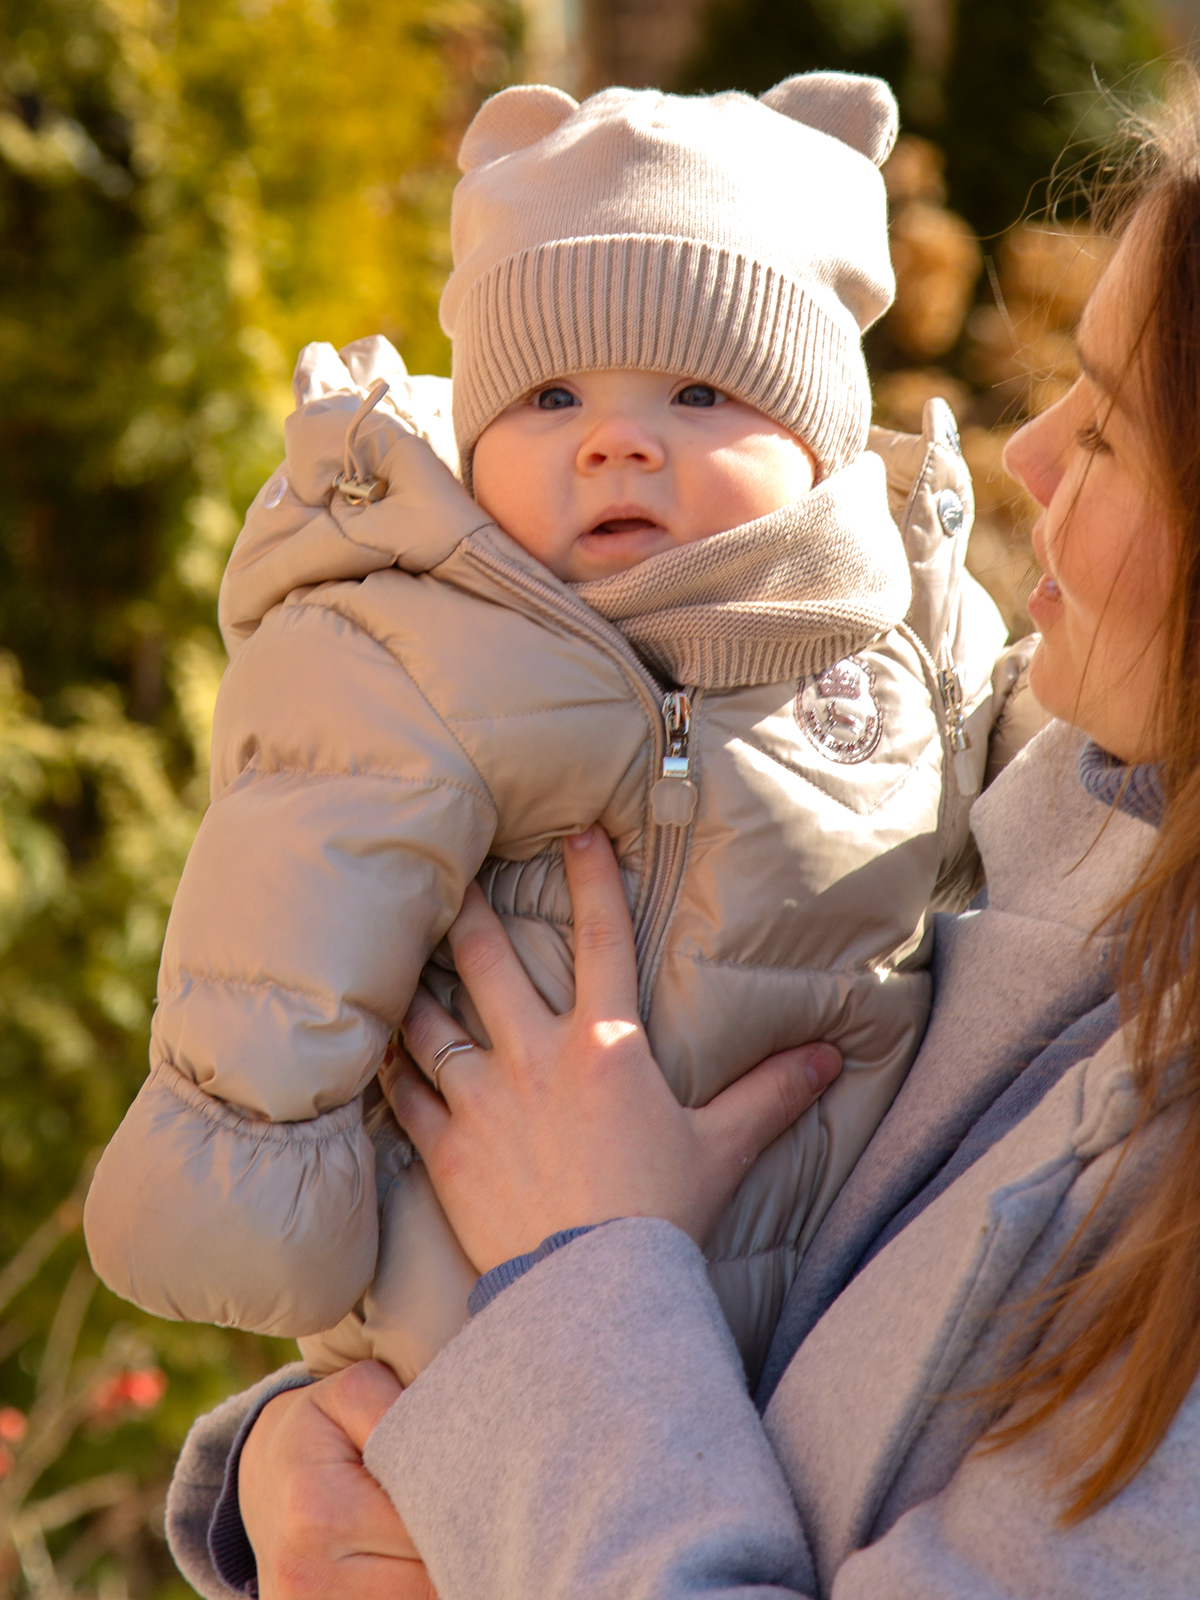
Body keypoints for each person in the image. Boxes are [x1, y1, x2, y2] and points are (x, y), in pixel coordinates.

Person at [167, 68, 1200, 1600]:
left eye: (1109, 435)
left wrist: (575, 1270)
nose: (1025, 457)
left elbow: (621, 1301)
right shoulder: (1058, 826)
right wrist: (297, 1471)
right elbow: (769, 1361)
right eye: (555, 398)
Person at [82, 70, 1017, 1395]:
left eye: (699, 392)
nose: (618, 445)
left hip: (823, 1352)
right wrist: (239, 1166)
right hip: (474, 1321)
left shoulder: (915, 632)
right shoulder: (428, 637)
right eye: (553, 399)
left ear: (821, 440)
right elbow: (299, 870)